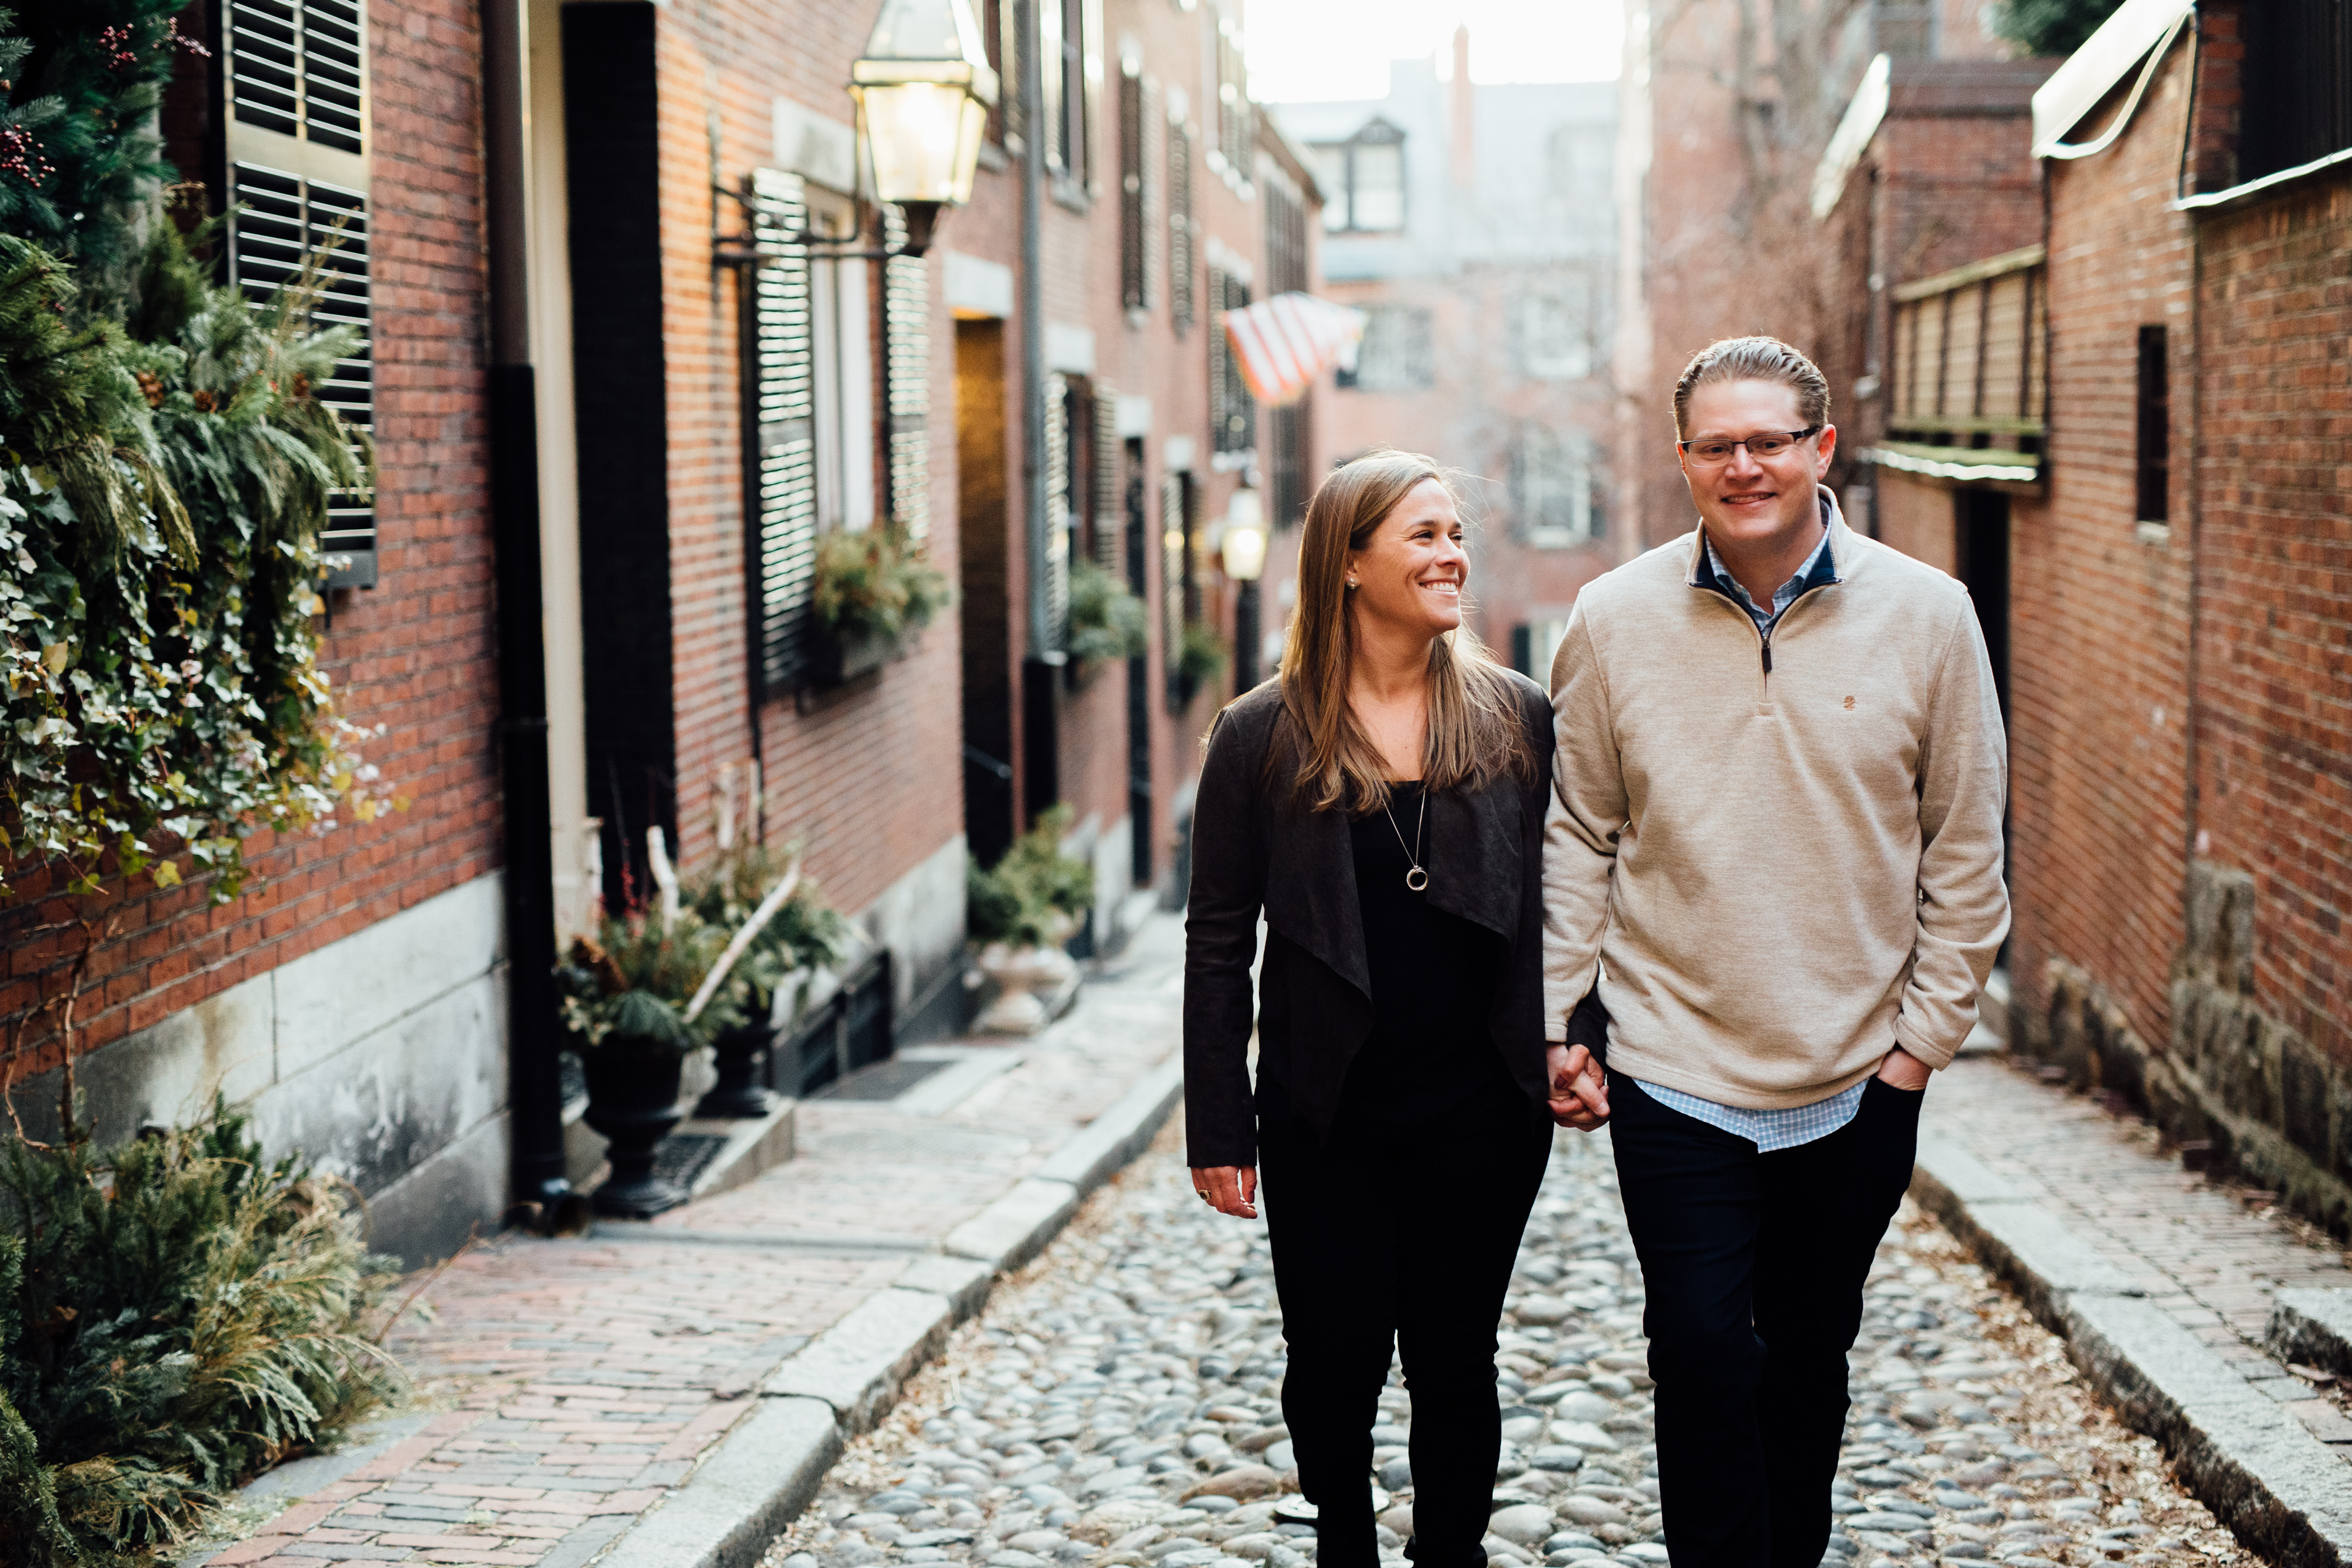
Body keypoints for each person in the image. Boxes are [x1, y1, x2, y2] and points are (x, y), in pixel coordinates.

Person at [1539, 336, 2010, 1568]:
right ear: (1684, 458)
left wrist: (1919, 1050)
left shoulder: (1930, 615)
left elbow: (1965, 845)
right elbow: (1580, 830)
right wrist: (1557, 1020)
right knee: (1698, 1346)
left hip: (1858, 1073)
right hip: (1673, 1062)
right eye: (1716, 445)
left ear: (1821, 451)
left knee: (1808, 1356)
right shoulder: (1611, 617)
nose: (1742, 465)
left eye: (1768, 441)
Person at [1184, 451, 1607, 1568]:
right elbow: (1220, 942)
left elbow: (1570, 902)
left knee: (1457, 1356)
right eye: (1423, 535)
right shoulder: (1259, 735)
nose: (1452, 554)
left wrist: (1579, 1041)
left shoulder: (1517, 718)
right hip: (1327, 1110)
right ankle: (1345, 1539)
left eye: (1455, 532)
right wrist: (1220, 1124)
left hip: (1480, 1105)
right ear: (1349, 564)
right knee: (1331, 1359)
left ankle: (1451, 1554)